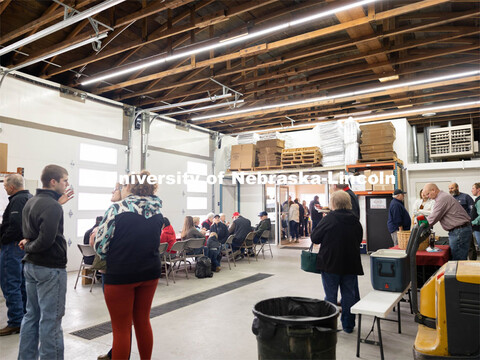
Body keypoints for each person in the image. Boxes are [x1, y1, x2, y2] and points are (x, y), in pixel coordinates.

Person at [95, 170, 164, 360]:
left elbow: (101, 246)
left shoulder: (117, 209)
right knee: (143, 321)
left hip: (121, 274)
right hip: (150, 272)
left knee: (121, 329)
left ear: (129, 186)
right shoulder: (158, 210)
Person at [18, 165, 71, 360]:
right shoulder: (52, 206)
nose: (67, 184)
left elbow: (31, 233)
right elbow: (46, 240)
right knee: (50, 321)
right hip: (50, 269)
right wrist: (28, 247)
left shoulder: (32, 202)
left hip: (31, 267)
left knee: (31, 316)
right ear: (53, 181)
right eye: (65, 180)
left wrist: (28, 246)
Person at [311, 191, 363, 334]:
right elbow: (359, 239)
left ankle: (329, 325)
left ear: (332, 203)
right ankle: (348, 325)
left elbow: (315, 238)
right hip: (351, 263)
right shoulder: (355, 220)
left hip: (330, 263)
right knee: (349, 295)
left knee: (330, 296)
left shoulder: (329, 219)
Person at [0, 174, 32, 336]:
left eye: (5, 186)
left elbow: (15, 226)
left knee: (10, 283)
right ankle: (23, 318)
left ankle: (15, 321)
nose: (5, 188)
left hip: (12, 247)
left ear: (12, 187)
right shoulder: (29, 197)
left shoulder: (17, 200)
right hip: (23, 247)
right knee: (21, 284)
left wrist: (3, 240)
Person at [423, 183, 472, 260]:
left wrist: (421, 226)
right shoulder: (442, 197)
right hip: (459, 230)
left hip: (459, 231)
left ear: (433, 190)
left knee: (458, 260)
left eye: (428, 194)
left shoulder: (442, 198)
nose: (428, 197)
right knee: (458, 258)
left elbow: (433, 217)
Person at [471, 183, 480, 248]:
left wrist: (473, 222)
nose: (471, 190)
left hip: (478, 228)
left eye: (473, 188)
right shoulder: (477, 200)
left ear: (478, 189)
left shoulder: (479, 201)